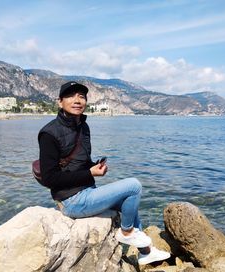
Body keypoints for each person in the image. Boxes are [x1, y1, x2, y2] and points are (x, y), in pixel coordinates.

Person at [38, 81, 170, 265]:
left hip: (87, 191)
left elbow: (80, 164)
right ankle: (127, 233)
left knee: (128, 200)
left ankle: (146, 252)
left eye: (81, 96)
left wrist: (94, 167)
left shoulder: (83, 127)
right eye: (70, 96)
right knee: (133, 186)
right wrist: (89, 173)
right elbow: (50, 178)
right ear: (60, 102)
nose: (77, 100)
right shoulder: (49, 134)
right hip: (71, 200)